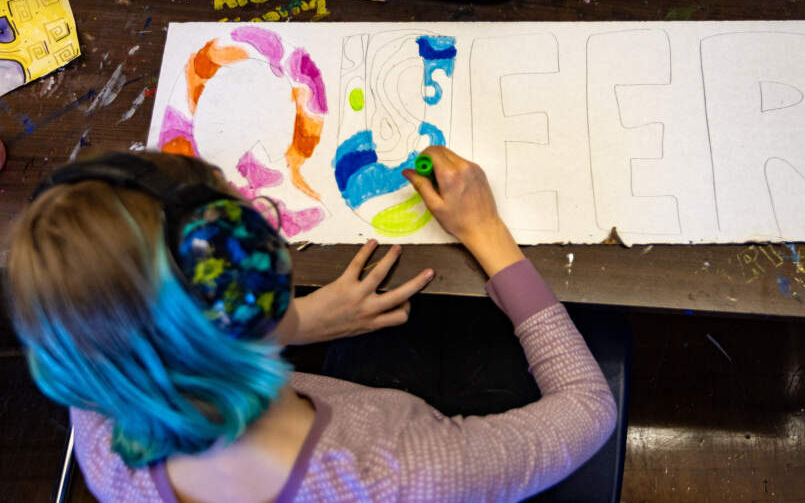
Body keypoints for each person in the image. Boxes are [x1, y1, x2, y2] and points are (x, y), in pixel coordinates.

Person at [5, 146, 616, 502]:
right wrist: (486, 232)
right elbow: (589, 409)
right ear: (262, 270)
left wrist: (294, 323)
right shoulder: (402, 474)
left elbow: (141, 331)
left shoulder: (104, 433)